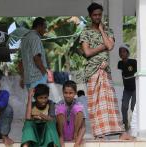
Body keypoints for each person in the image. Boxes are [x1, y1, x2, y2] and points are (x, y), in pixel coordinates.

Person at [79, 3, 132, 140]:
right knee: (95, 103)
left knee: (110, 102)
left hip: (105, 70)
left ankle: (120, 132)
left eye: (99, 14)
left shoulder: (108, 30)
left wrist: (102, 30)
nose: (97, 17)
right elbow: (87, 52)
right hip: (92, 71)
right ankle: (99, 134)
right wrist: (103, 46)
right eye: (95, 15)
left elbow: (110, 46)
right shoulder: (85, 32)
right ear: (90, 16)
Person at [20, 17, 48, 91]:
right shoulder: (35, 38)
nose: (45, 31)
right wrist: (44, 73)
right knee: (41, 101)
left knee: (32, 101)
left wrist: (22, 77)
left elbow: (21, 61)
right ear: (39, 26)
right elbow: (36, 58)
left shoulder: (24, 39)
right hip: (37, 77)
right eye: (44, 28)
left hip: (28, 79)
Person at [56, 81, 85, 147]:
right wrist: (59, 138)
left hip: (75, 134)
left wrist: (77, 143)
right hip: (62, 133)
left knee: (78, 109)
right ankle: (61, 137)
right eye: (65, 93)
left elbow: (83, 127)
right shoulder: (59, 104)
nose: (68, 96)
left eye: (70, 93)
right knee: (60, 109)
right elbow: (56, 124)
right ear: (63, 92)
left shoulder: (79, 104)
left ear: (75, 93)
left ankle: (75, 134)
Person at [118, 45, 137, 131]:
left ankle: (135, 124)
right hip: (126, 89)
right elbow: (120, 74)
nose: (122, 53)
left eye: (124, 51)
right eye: (120, 52)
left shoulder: (133, 62)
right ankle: (125, 124)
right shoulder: (120, 63)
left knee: (134, 106)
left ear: (128, 53)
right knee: (124, 107)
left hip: (135, 89)